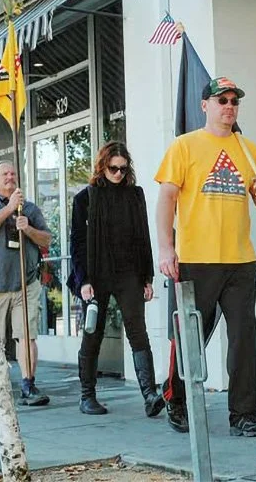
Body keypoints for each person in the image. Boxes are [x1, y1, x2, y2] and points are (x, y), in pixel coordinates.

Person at [156, 77, 256, 437]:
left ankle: (243, 414)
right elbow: (167, 200)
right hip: (196, 259)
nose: (230, 106)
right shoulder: (185, 146)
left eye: (235, 101)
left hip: (239, 260)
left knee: (243, 337)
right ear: (205, 104)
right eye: (222, 100)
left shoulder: (249, 149)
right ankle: (176, 399)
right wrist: (165, 247)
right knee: (191, 336)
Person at [68, 142, 164, 417]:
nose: (119, 174)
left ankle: (149, 394)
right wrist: (83, 280)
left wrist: (147, 277)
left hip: (129, 272)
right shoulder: (85, 199)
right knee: (92, 333)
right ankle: (87, 396)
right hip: (96, 275)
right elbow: (77, 243)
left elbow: (142, 237)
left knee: (138, 332)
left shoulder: (135, 195)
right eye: (113, 168)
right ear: (102, 166)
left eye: (123, 169)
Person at [0, 161, 51, 406]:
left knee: (27, 335)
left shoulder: (29, 208)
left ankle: (28, 384)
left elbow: (46, 240)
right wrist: (9, 208)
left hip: (25, 283)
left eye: (13, 173)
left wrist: (28, 229)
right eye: (5, 174)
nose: (10, 177)